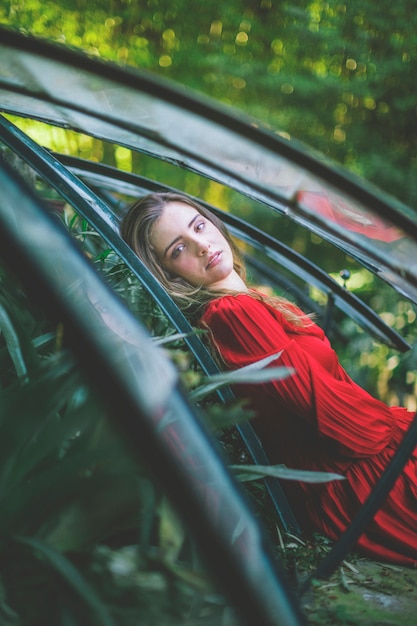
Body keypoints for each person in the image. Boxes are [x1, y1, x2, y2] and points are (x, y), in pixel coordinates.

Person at [121, 191, 417, 566]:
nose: (201, 245)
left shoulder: (251, 301)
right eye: (178, 250)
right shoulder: (233, 313)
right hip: (360, 481)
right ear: (167, 274)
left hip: (358, 464)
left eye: (199, 226)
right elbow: (343, 422)